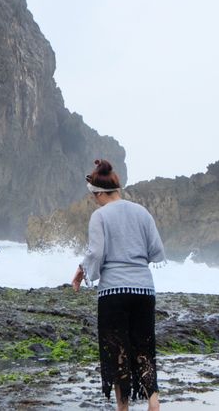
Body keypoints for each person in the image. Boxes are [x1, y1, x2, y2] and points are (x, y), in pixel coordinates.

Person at [71, 159, 166, 411]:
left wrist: (82, 272)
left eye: (94, 196)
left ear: (100, 193)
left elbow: (96, 253)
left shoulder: (100, 216)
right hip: (144, 290)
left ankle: (122, 407)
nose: (94, 201)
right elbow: (156, 250)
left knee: (117, 352)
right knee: (144, 348)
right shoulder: (142, 212)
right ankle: (153, 402)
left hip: (114, 292)